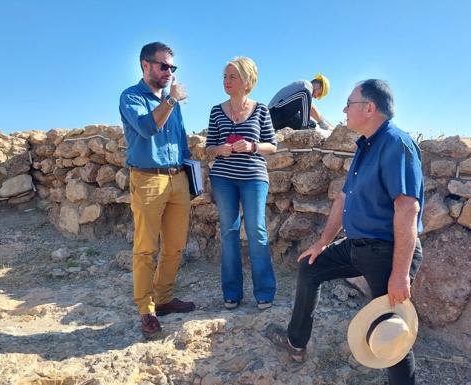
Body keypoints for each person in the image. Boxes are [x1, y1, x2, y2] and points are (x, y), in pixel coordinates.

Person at [266, 79, 425, 385]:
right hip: (358, 246)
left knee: (390, 329)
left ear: (369, 108)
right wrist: (323, 243)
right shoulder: (366, 145)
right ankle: (296, 342)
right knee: (309, 267)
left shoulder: (396, 143)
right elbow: (343, 198)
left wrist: (400, 274)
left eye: (349, 103)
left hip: (387, 252)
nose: (343, 109)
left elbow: (407, 209)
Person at [119, 42, 196, 339]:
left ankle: (164, 298)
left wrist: (191, 177)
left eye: (172, 67)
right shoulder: (131, 97)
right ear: (145, 65)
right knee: (146, 248)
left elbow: (181, 140)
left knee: (175, 246)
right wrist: (172, 101)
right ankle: (146, 309)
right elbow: (147, 128)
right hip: (147, 179)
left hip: (177, 178)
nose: (169, 72)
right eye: (164, 66)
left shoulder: (168, 100)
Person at [205, 56, 278, 310]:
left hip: (254, 177)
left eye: (232, 76)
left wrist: (252, 146)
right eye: (225, 76)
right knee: (229, 232)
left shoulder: (261, 110)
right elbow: (209, 147)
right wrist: (220, 149)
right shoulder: (216, 110)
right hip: (223, 177)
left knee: (257, 231)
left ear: (247, 80)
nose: (227, 81)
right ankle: (232, 292)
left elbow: (272, 145)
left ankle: (265, 292)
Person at [268, 75, 334, 131]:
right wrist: (321, 122)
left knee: (312, 124)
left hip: (281, 119)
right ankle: (304, 128)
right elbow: (311, 107)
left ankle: (303, 127)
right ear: (318, 86)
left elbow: (308, 108)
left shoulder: (305, 95)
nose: (316, 97)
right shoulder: (306, 84)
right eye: (319, 94)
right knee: (305, 95)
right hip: (274, 112)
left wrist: (324, 123)